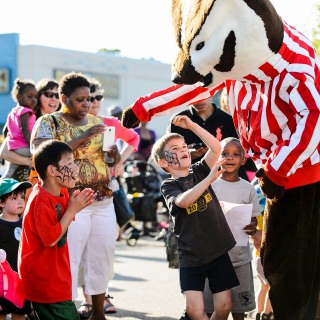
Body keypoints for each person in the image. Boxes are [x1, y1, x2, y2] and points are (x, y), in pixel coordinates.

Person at [30, 72, 120, 320]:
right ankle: (64, 312)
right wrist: (82, 139)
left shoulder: (97, 121)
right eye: (80, 99)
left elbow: (111, 161)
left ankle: (98, 313)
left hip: (103, 201)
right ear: (63, 98)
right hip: (70, 203)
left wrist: (114, 154)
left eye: (89, 99)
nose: (86, 104)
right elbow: (40, 154)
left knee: (101, 259)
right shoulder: (49, 122)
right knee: (68, 260)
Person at [151, 115, 239, 320]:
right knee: (194, 310)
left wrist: (191, 125)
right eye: (175, 150)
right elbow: (183, 202)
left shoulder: (199, 170)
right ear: (163, 162)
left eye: (183, 147)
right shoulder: (169, 185)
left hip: (217, 248)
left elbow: (216, 148)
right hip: (191, 255)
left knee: (225, 306)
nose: (182, 151)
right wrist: (209, 179)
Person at [76, 79, 139, 319]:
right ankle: (87, 300)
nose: (93, 102)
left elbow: (133, 138)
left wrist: (120, 160)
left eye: (98, 97)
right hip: (80, 194)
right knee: (82, 250)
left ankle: (103, 295)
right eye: (88, 97)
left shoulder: (110, 124)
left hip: (107, 194)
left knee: (104, 249)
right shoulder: (73, 123)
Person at [18, 140, 94, 320]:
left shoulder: (61, 191)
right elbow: (51, 239)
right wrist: (72, 209)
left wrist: (75, 205)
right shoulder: (41, 200)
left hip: (55, 275)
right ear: (52, 171)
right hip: (44, 278)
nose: (75, 168)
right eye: (69, 163)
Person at [207, 137, 260, 320]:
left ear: (244, 159)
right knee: (209, 307)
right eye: (225, 154)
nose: (230, 158)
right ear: (217, 157)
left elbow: (253, 219)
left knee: (240, 309)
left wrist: (252, 227)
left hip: (240, 258)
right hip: (212, 256)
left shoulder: (248, 188)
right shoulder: (209, 185)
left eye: (236, 155)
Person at [168, 96, 257, 181]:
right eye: (195, 96)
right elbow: (168, 155)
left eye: (203, 95)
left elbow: (240, 153)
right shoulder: (179, 121)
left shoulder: (228, 120)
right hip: (190, 179)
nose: (200, 101)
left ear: (212, 92)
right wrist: (187, 154)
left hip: (224, 178)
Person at [0, 78, 61, 185]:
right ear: (38, 96)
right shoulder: (28, 118)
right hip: (22, 184)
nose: (54, 99)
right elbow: (4, 152)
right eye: (49, 94)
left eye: (57, 96)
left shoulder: (61, 122)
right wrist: (31, 161)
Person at [0, 178, 32, 320]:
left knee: (19, 312)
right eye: (14, 198)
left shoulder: (26, 223)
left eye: (22, 197)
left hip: (21, 280)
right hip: (2, 282)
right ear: (1, 202)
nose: (20, 201)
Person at [1, 78, 37, 181]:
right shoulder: (26, 111)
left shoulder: (13, 112)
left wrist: (9, 145)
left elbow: (5, 131)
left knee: (8, 174)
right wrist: (32, 147)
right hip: (23, 147)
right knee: (40, 156)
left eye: (35, 97)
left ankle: (2, 188)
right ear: (19, 97)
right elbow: (25, 129)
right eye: (30, 97)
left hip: (14, 148)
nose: (34, 100)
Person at [251, 180, 273, 320]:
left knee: (263, 287)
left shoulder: (256, 217)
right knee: (272, 287)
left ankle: (259, 314)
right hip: (265, 258)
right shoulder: (269, 218)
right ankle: (267, 314)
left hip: (257, 257)